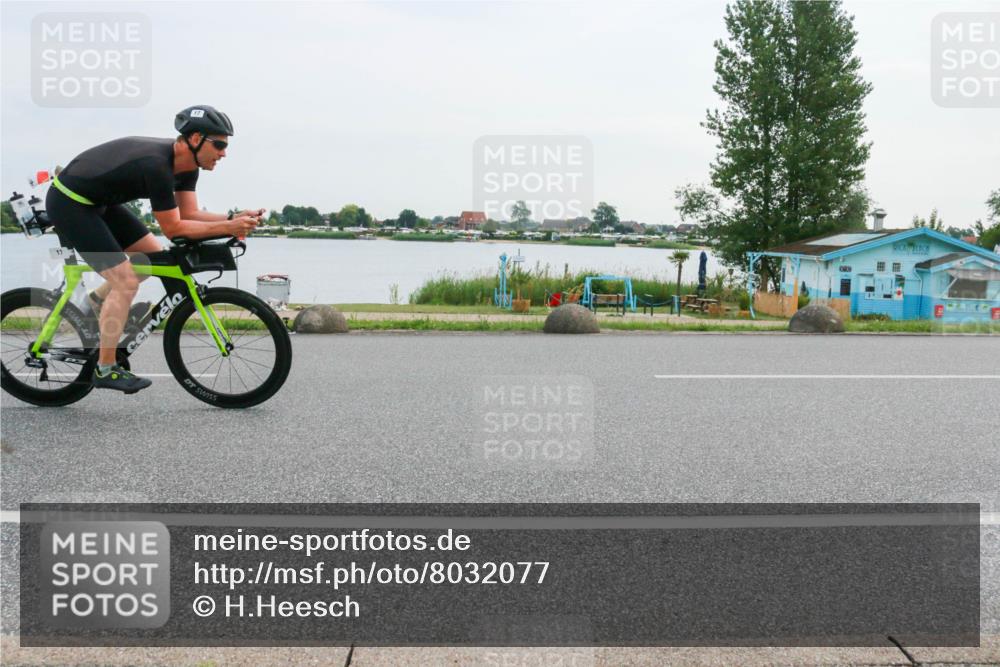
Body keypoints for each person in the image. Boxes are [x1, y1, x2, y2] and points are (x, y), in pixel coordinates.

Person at [45, 105, 263, 393]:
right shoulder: (157, 165)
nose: (224, 153)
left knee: (152, 258)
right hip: (69, 203)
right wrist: (228, 228)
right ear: (195, 139)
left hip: (100, 203)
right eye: (220, 144)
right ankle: (105, 368)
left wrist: (233, 218)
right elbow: (173, 228)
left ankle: (96, 302)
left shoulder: (188, 167)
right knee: (124, 281)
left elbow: (189, 214)